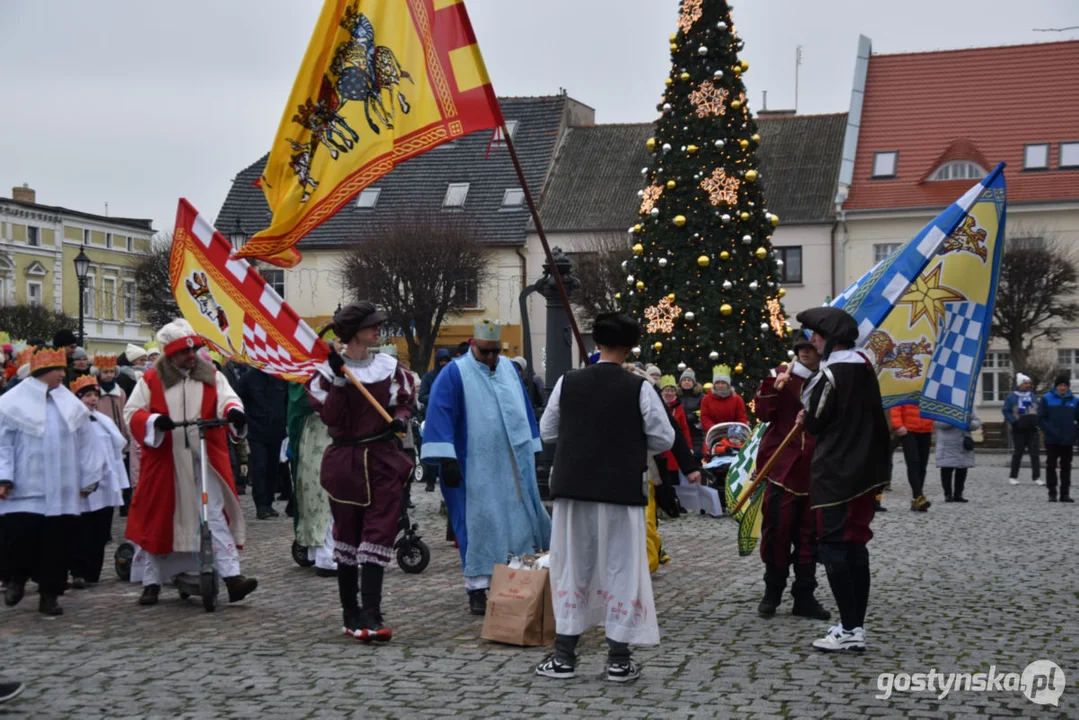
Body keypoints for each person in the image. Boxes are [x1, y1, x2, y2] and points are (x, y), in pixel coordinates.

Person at [536, 313, 675, 683]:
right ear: (630, 347)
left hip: (572, 487)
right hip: (620, 488)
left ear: (596, 343)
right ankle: (618, 658)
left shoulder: (569, 383)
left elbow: (546, 431)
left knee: (571, 565)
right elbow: (664, 438)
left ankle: (564, 657)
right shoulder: (639, 387)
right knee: (623, 567)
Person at [123, 319, 257, 607]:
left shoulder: (212, 375)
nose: (191, 355)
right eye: (184, 352)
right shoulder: (151, 380)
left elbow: (228, 400)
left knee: (213, 515)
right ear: (170, 355)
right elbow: (132, 413)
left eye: (194, 349)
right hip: (166, 462)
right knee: (160, 519)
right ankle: (151, 582)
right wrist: (154, 421)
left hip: (206, 458)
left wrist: (233, 413)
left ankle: (233, 577)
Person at [421, 320, 551, 616]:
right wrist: (446, 459)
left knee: (518, 522)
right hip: (473, 465)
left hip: (512, 465)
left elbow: (523, 408)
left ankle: (519, 579)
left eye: (495, 352)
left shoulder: (508, 369)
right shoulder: (454, 373)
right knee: (481, 524)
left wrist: (531, 446)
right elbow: (440, 412)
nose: (491, 358)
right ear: (472, 345)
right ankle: (477, 587)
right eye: (485, 352)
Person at [307, 301, 415, 639]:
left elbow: (403, 403)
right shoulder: (326, 374)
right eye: (371, 325)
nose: (378, 329)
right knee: (348, 536)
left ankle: (372, 612)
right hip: (346, 463)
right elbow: (331, 419)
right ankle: (350, 613)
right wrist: (339, 380)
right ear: (353, 333)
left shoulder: (388, 366)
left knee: (379, 532)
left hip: (383, 459)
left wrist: (399, 421)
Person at [796, 307, 890, 653]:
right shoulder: (865, 367)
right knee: (854, 544)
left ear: (828, 338)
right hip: (866, 469)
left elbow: (816, 422)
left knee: (833, 544)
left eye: (816, 336)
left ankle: (850, 628)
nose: (813, 342)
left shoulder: (830, 373)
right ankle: (854, 626)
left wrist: (806, 415)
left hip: (836, 468)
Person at [0, 347, 103, 616]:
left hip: (62, 489)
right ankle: (16, 579)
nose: (62, 374)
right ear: (42, 372)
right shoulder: (11, 403)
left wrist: (89, 477)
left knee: (57, 545)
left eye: (63, 369)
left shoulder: (68, 403)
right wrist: (4, 475)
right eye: (57, 370)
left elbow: (87, 442)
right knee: (20, 539)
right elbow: (3, 444)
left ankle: (50, 594)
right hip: (25, 488)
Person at [753, 333, 830, 621]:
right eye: (802, 347)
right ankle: (772, 591)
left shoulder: (829, 380)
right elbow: (762, 414)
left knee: (810, 536)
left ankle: (805, 595)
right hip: (781, 467)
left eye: (811, 347)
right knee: (777, 532)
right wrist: (773, 388)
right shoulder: (780, 376)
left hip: (815, 470)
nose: (806, 351)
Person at [68, 375, 129, 587]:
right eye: (88, 396)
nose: (93, 399)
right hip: (83, 484)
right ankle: (78, 571)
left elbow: (115, 455)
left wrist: (120, 484)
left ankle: (93, 572)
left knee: (101, 531)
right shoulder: (72, 422)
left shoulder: (105, 421)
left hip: (105, 485)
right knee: (81, 531)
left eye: (95, 395)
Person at [287, 382, 336, 576]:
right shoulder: (304, 369)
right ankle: (325, 556)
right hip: (318, 435)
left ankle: (327, 552)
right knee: (321, 492)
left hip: (339, 434)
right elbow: (302, 400)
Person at [236, 367, 289, 519]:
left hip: (276, 430)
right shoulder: (248, 378)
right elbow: (238, 399)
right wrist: (247, 420)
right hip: (256, 430)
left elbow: (286, 401)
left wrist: (284, 421)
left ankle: (268, 502)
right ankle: (261, 505)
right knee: (260, 467)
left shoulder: (280, 377)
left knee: (272, 468)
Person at [94, 354, 132, 515]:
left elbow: (125, 412)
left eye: (111, 372)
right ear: (98, 373)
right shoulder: (95, 392)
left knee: (124, 472)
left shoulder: (120, 392)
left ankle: (125, 505)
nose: (108, 375)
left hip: (120, 436)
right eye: (105, 372)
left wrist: (127, 432)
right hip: (102, 438)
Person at [1038, 375, 1077, 503]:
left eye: (1065, 385)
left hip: (1068, 439)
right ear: (1056, 386)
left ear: (1068, 387)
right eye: (1060, 385)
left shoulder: (1074, 401)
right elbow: (1041, 418)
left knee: (1066, 467)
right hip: (1052, 438)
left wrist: (1075, 434)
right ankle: (1052, 493)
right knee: (1051, 466)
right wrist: (1050, 431)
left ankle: (1065, 494)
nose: (1063, 388)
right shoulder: (1046, 399)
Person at [890, 404, 934, 511]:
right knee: (913, 463)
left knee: (922, 465)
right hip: (908, 430)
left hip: (926, 429)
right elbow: (896, 406)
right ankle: (919, 496)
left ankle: (916, 499)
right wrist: (898, 425)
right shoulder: (905, 387)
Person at [1003, 373, 1042, 486]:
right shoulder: (1011, 396)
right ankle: (1013, 476)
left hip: (1032, 428)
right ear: (1020, 384)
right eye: (1026, 383)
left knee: (1034, 453)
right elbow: (1006, 411)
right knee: (1018, 453)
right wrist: (1014, 422)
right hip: (1019, 428)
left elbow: (1037, 408)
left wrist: (1037, 421)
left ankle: (1036, 477)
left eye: (1029, 383)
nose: (1028, 385)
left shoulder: (1032, 395)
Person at [700, 366, 749, 454]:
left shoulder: (737, 399)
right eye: (718, 383)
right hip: (715, 434)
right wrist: (713, 429)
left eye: (723, 383)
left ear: (728, 384)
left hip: (735, 435)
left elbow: (741, 417)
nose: (720, 385)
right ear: (714, 384)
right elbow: (705, 417)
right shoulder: (706, 399)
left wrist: (737, 430)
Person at [934, 412, 981, 503]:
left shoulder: (967, 407)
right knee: (947, 469)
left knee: (962, 469)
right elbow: (937, 423)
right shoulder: (944, 407)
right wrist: (954, 420)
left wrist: (968, 424)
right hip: (947, 444)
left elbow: (977, 422)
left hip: (962, 443)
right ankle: (948, 494)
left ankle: (958, 494)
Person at [678, 368, 705, 454]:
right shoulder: (675, 396)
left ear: (693, 382)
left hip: (696, 433)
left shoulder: (701, 396)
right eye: (684, 380)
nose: (686, 382)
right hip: (680, 431)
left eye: (689, 380)